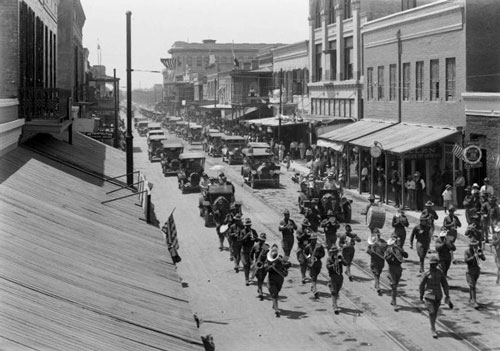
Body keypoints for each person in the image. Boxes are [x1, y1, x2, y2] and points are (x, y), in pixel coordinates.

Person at [419, 256, 452, 338]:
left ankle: (432, 324)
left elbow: (445, 284)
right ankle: (433, 328)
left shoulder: (440, 273)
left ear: (436, 264)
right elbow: (421, 285)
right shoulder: (426, 273)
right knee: (432, 312)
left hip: (438, 295)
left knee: (435, 312)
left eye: (434, 264)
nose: (432, 266)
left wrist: (447, 295)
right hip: (429, 295)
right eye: (431, 264)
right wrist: (421, 295)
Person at [265, 244, 291, 317]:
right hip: (272, 280)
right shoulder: (269, 260)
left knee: (277, 292)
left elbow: (289, 265)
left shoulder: (280, 259)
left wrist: (284, 263)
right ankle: (276, 309)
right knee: (274, 294)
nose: (274, 250)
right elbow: (266, 268)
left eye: (276, 249)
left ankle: (274, 304)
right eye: (273, 249)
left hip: (279, 279)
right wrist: (271, 266)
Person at [385, 235, 408, 311]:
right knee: (394, 285)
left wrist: (402, 251)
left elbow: (406, 256)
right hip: (391, 268)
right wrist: (391, 254)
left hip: (399, 268)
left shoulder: (399, 249)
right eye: (395, 241)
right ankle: (395, 303)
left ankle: (392, 299)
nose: (396, 243)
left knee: (395, 287)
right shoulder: (388, 249)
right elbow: (386, 259)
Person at [464, 238, 486, 308]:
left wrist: (481, 255)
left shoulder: (478, 250)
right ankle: (474, 301)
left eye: (475, 245)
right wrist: (474, 257)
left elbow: (484, 259)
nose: (474, 247)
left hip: (477, 270)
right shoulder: (467, 251)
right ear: (470, 246)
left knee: (472, 285)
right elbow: (466, 260)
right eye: (473, 246)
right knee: (472, 286)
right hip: (470, 271)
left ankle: (471, 298)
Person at [303, 232, 326, 298]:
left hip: (318, 262)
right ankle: (315, 291)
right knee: (313, 277)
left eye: (315, 239)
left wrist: (318, 255)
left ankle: (313, 286)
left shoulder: (319, 246)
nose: (314, 240)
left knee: (316, 274)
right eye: (313, 239)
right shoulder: (308, 246)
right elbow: (305, 252)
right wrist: (308, 257)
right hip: (311, 263)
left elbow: (323, 253)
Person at [326, 245, 347, 314]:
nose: (335, 253)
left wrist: (341, 260)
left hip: (339, 276)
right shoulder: (329, 259)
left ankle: (334, 302)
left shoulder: (340, 257)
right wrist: (334, 264)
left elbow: (346, 264)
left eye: (336, 252)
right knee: (334, 292)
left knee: (337, 291)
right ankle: (335, 306)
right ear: (331, 253)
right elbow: (328, 266)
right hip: (333, 276)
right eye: (333, 252)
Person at [367, 228, 387, 295]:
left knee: (379, 272)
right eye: (376, 235)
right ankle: (378, 286)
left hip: (381, 260)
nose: (377, 236)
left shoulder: (383, 241)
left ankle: (376, 283)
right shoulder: (371, 242)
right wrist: (371, 252)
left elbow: (386, 249)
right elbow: (368, 250)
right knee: (376, 272)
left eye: (378, 235)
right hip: (374, 260)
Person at [250, 233, 270, 300]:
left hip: (264, 265)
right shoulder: (255, 246)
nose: (262, 241)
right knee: (259, 279)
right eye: (261, 240)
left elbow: (269, 257)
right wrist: (252, 262)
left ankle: (259, 288)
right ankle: (261, 293)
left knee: (262, 279)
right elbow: (251, 254)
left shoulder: (266, 248)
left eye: (263, 240)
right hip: (257, 264)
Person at [239, 218, 258, 286]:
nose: (248, 227)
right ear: (245, 226)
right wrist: (246, 236)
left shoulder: (253, 231)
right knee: (246, 265)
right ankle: (246, 279)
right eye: (247, 225)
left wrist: (255, 237)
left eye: (249, 225)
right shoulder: (242, 231)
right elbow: (240, 241)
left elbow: (257, 240)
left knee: (253, 265)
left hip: (252, 250)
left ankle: (251, 276)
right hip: (244, 250)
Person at [296, 219, 313, 284]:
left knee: (308, 262)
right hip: (301, 248)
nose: (306, 227)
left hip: (308, 249)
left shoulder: (309, 230)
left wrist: (309, 235)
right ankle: (303, 276)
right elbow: (298, 238)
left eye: (307, 226)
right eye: (304, 225)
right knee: (302, 262)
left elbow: (312, 238)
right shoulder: (299, 230)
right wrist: (304, 234)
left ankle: (309, 273)